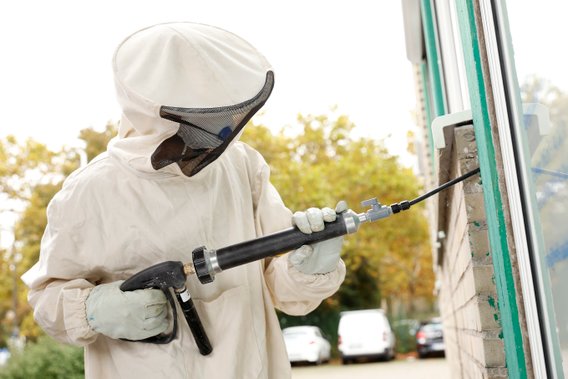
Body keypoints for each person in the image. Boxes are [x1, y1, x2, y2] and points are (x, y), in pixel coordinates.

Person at [22, 22, 346, 379]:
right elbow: (46, 298)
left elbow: (282, 290)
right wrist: (94, 309)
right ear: (154, 110)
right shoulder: (89, 191)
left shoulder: (241, 166)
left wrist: (311, 263)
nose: (215, 130)